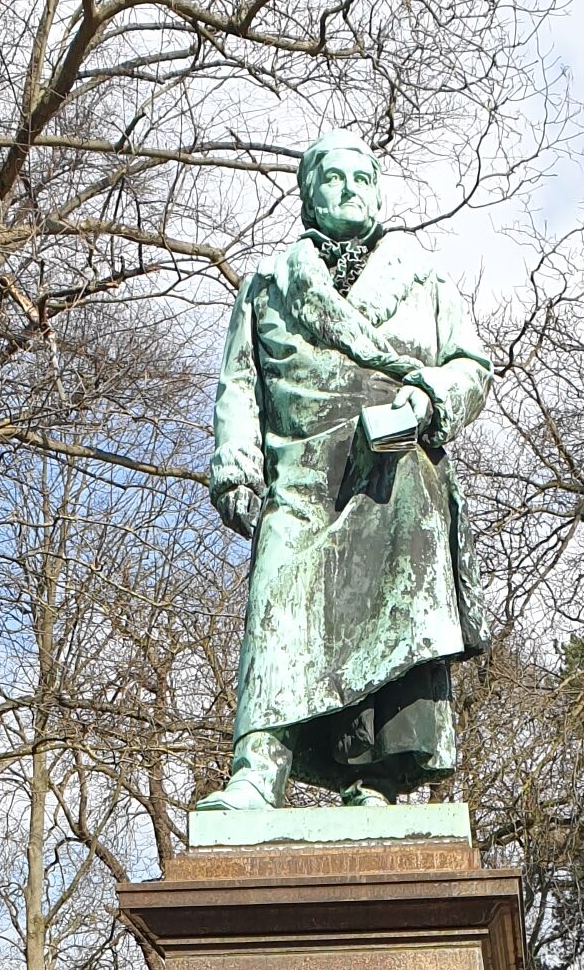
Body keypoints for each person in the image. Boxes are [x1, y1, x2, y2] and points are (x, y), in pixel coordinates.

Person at [200, 131, 492, 810]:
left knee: (393, 599)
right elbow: (238, 386)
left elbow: (471, 367)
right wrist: (236, 471)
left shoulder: (424, 280)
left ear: (379, 190)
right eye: (332, 179)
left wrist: (423, 401)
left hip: (390, 463)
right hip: (300, 473)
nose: (349, 190)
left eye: (362, 178)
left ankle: (379, 777)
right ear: (308, 196)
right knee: (277, 600)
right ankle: (258, 769)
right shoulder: (268, 289)